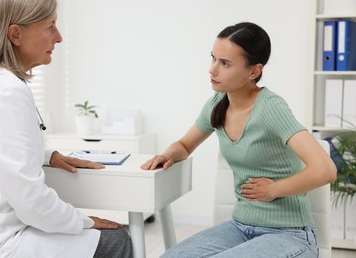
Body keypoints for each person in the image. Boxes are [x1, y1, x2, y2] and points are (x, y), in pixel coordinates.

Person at [141, 22, 337, 258]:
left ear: (254, 71)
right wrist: (168, 154)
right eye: (213, 58)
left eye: (225, 63)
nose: (212, 70)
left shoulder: (270, 107)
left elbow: (325, 170)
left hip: (289, 234)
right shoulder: (217, 104)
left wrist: (274, 189)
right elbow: (184, 145)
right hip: (239, 227)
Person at [0, 0, 132, 257]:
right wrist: (83, 221)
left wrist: (46, 156)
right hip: (0, 242)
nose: (59, 37)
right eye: (50, 26)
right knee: (116, 239)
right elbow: (31, 202)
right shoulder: (4, 93)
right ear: (16, 34)